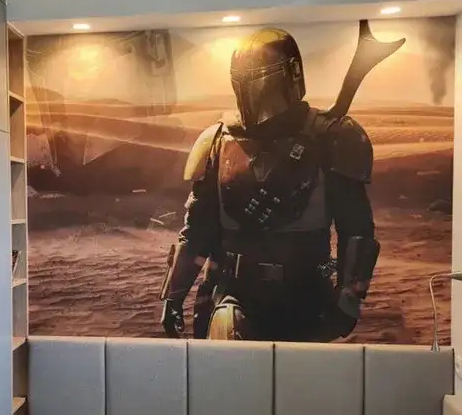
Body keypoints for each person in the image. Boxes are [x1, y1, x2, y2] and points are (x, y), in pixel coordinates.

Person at [159, 27, 380, 342]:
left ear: (290, 74)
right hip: (233, 295)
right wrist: (174, 295)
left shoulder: (333, 138)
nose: (253, 91)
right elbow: (197, 232)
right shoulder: (217, 142)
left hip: (306, 297)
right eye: (244, 79)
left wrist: (348, 299)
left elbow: (356, 229)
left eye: (261, 77)